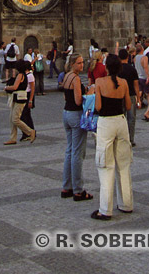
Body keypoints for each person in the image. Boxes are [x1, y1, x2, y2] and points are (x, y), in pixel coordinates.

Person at [91, 53, 132, 220]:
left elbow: (99, 106)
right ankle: (126, 204)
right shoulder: (123, 83)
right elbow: (128, 106)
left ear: (106, 67)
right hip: (121, 122)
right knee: (123, 164)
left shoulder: (100, 82)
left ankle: (105, 209)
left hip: (106, 123)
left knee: (106, 166)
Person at [60, 54, 91, 200]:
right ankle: (78, 190)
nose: (82, 65)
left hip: (66, 113)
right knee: (77, 153)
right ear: (73, 64)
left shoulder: (66, 76)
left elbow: (66, 97)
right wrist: (88, 93)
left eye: (82, 62)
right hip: (75, 115)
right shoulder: (76, 78)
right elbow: (79, 101)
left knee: (69, 151)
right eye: (79, 63)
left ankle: (66, 187)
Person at [3, 60, 35, 144]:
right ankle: (13, 138)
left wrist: (7, 88)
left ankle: (30, 131)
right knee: (11, 118)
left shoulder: (20, 75)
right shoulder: (23, 74)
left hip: (20, 98)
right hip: (17, 97)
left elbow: (15, 87)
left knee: (15, 119)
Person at [118, 48, 140, 146]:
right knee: (131, 118)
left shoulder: (117, 69)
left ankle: (121, 138)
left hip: (119, 96)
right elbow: (136, 85)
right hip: (130, 95)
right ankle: (130, 139)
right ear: (128, 57)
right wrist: (138, 98)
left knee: (120, 118)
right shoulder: (132, 69)